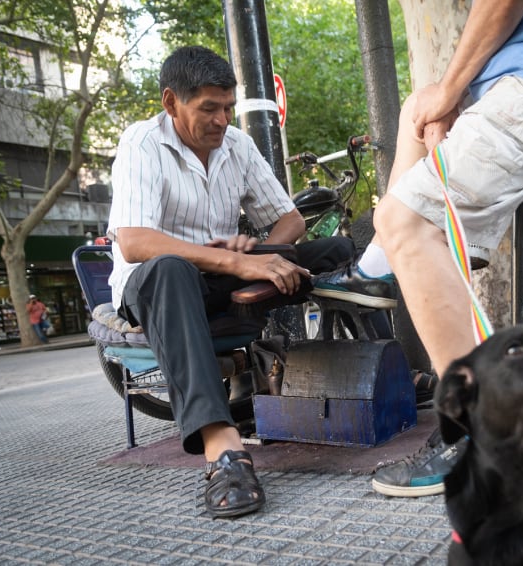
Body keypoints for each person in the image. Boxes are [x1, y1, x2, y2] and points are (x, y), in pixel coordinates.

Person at [312, 1, 523, 497]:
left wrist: (453, 91)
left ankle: (475, 431)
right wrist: (449, 97)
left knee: (403, 219)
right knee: (419, 105)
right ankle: (382, 265)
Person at [107, 46, 353, 518]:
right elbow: (135, 243)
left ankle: (374, 373)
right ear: (170, 102)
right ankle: (223, 450)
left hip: (219, 275)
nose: (221, 120)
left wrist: (256, 254)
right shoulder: (141, 143)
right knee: (171, 269)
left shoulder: (237, 145)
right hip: (155, 284)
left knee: (334, 248)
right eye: (208, 109)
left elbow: (289, 220)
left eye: (227, 107)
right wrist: (235, 265)